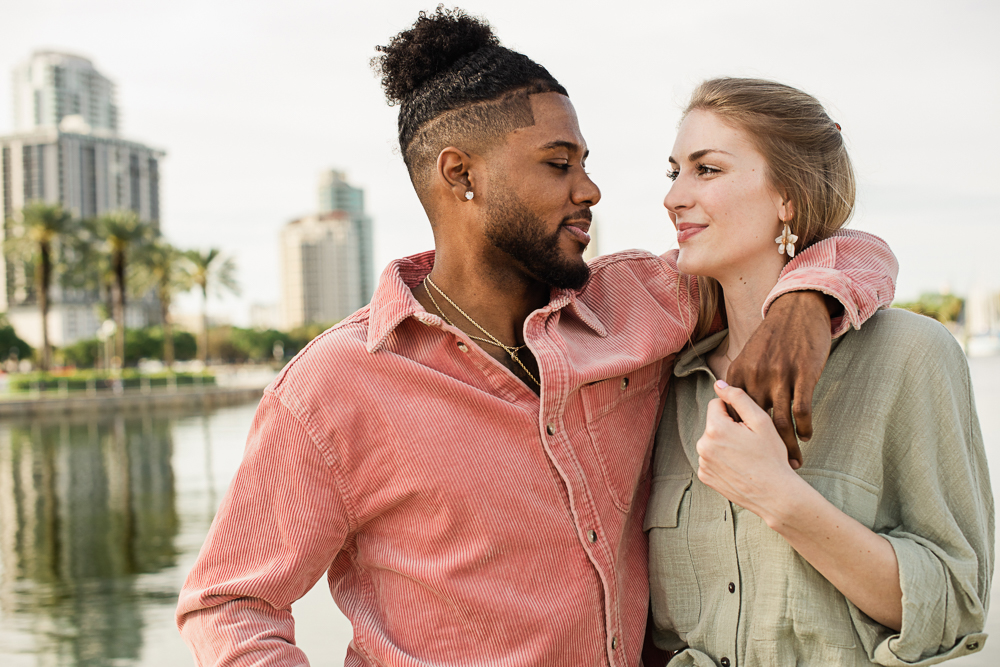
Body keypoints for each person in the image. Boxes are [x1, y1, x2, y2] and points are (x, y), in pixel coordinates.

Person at [176, 10, 897, 666]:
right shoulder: (333, 386)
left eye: (584, 162)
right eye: (559, 163)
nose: (590, 189)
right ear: (461, 175)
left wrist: (804, 301)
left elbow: (837, 244)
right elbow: (229, 604)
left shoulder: (640, 304)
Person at [647, 77, 993, 666]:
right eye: (673, 170)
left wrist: (782, 499)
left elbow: (956, 604)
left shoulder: (912, 354)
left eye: (707, 170)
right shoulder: (661, 378)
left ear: (789, 197)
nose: (674, 196)